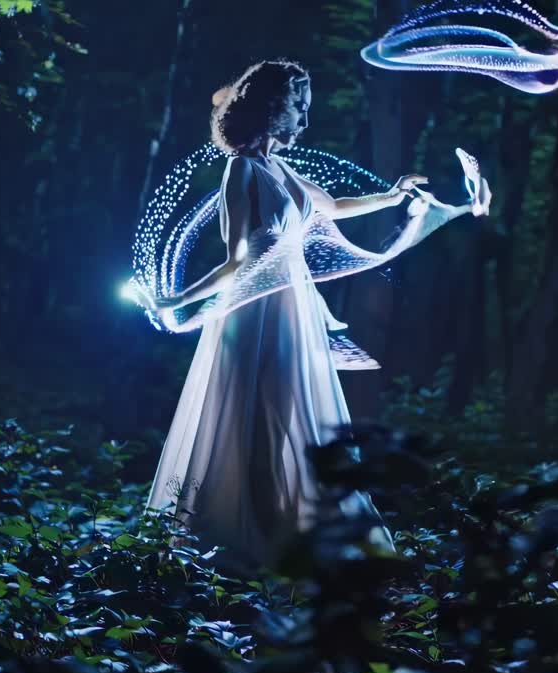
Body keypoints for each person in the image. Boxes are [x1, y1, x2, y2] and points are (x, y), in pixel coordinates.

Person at [145, 59, 486, 573]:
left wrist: (391, 196)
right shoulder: (243, 169)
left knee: (292, 413)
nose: (304, 121)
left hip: (294, 307)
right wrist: (176, 302)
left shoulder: (278, 168)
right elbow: (239, 261)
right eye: (297, 108)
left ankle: (289, 526)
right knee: (258, 413)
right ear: (270, 109)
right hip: (255, 313)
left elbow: (331, 205)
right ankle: (248, 533)